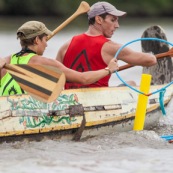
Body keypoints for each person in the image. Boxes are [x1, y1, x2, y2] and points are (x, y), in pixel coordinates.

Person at [0, 21, 119, 96]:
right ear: (37, 40)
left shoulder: (5, 61)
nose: (46, 44)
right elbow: (83, 79)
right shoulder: (46, 63)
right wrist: (108, 69)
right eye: (45, 39)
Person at [56, 1, 157, 89]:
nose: (117, 25)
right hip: (99, 101)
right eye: (113, 20)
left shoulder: (66, 46)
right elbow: (150, 60)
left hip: (71, 101)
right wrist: (154, 54)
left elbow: (54, 78)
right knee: (131, 83)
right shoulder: (111, 47)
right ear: (99, 20)